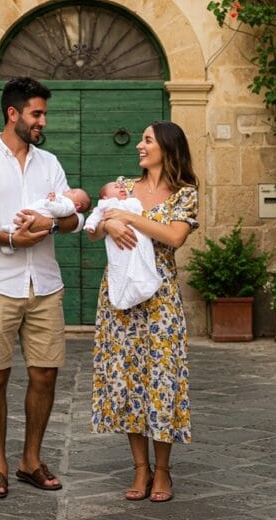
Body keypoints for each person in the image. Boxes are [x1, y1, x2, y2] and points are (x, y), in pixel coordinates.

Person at [0, 76, 84, 499]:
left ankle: (30, 460)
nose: (43, 121)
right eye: (36, 113)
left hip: (44, 283)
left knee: (44, 374)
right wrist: (9, 238)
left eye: (43, 113)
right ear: (13, 114)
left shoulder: (50, 163)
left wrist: (51, 223)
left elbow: (74, 218)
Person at [87, 121, 199, 504]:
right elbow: (95, 225)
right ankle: (140, 468)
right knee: (126, 378)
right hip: (119, 296)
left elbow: (174, 236)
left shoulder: (185, 194)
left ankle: (163, 470)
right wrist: (108, 222)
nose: (139, 145)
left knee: (162, 380)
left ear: (167, 147)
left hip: (161, 297)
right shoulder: (122, 187)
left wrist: (128, 219)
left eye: (147, 140)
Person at [84, 180, 161, 309]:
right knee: (122, 264)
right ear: (105, 197)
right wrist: (96, 225)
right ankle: (123, 293)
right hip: (120, 245)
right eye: (116, 187)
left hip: (139, 239)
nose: (121, 187)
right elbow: (95, 217)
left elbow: (140, 212)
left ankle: (142, 283)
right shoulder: (107, 204)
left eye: (121, 187)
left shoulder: (132, 200)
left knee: (140, 261)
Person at [0, 187, 90, 254]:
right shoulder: (64, 199)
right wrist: (51, 198)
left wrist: (49, 203)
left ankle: (12, 238)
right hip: (40, 211)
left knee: (27, 223)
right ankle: (12, 230)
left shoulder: (69, 205)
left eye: (73, 192)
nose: (69, 190)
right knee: (24, 219)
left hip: (43, 214)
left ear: (77, 205)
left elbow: (60, 210)